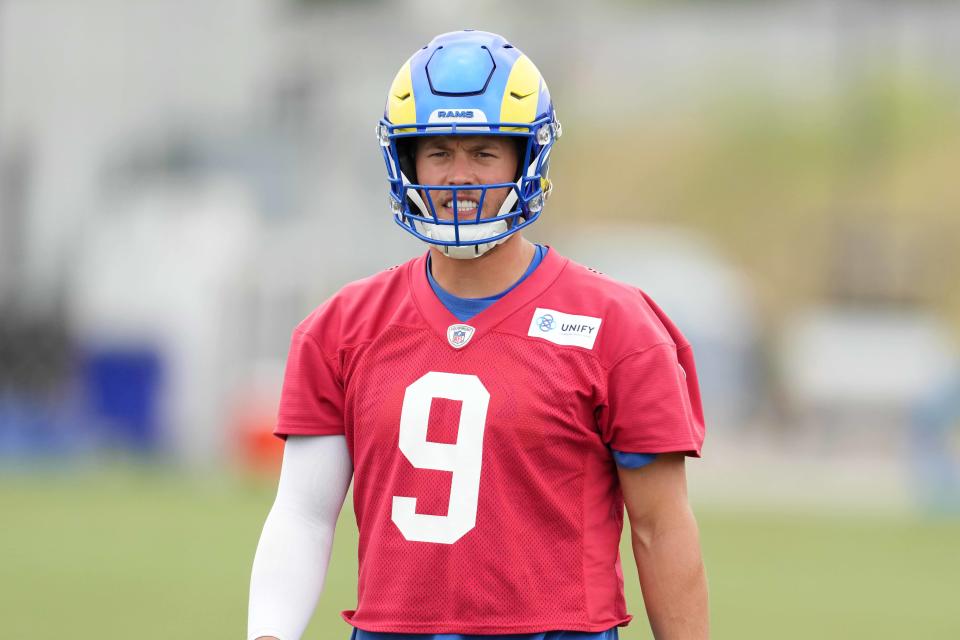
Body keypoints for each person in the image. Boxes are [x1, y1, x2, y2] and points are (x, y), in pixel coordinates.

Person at [248, 29, 708, 640]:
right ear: (406, 160)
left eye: (483, 152)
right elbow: (304, 514)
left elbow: (660, 528)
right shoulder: (340, 328)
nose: (459, 176)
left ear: (527, 157)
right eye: (438, 152)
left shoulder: (617, 327)